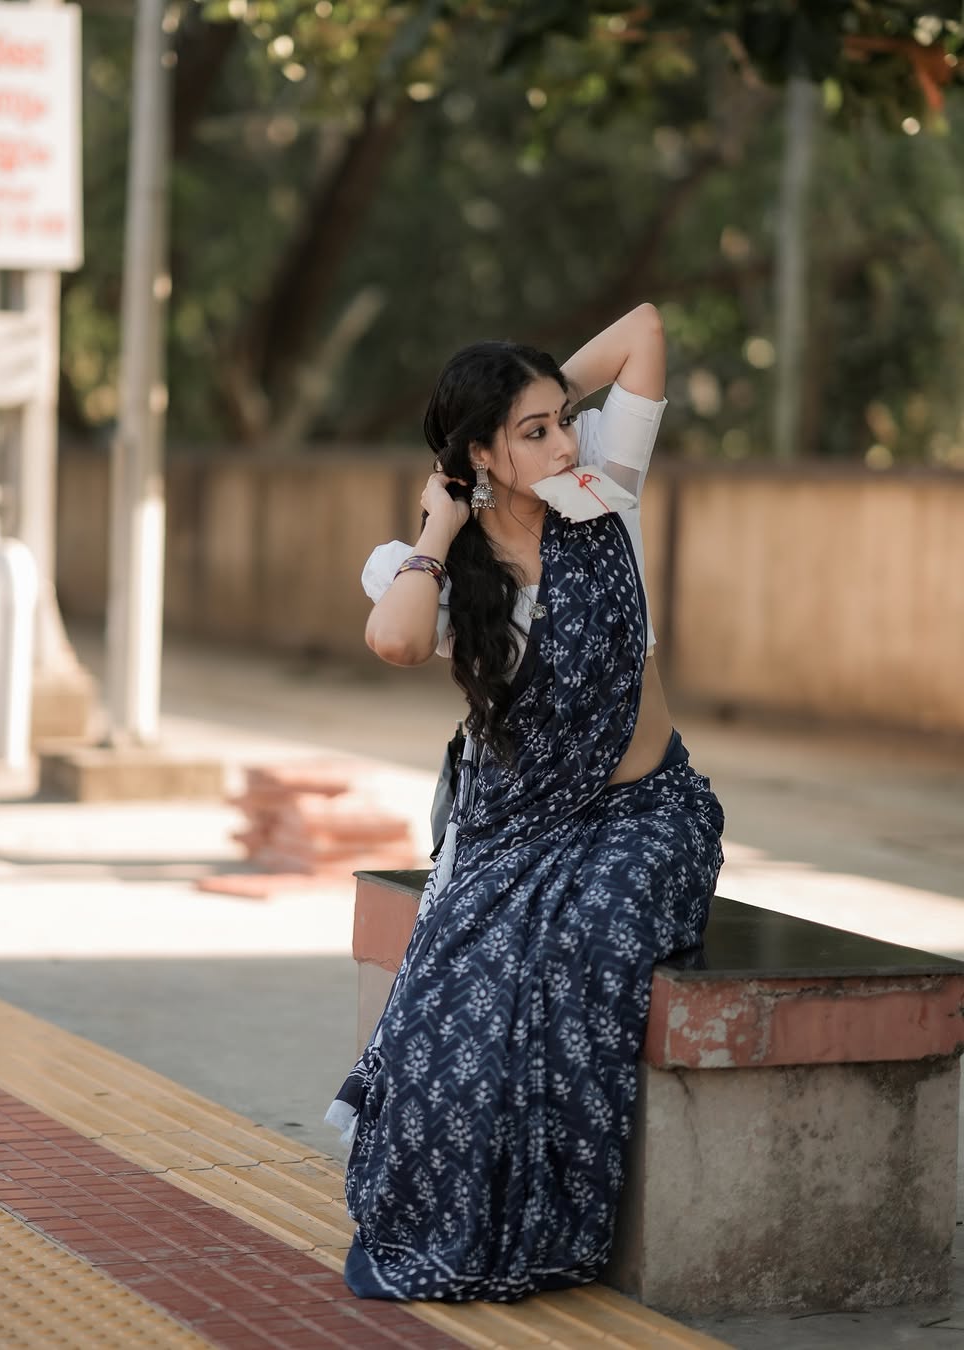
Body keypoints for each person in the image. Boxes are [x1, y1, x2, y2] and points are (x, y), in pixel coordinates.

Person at [325, 303, 725, 1303]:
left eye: (566, 420)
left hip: (648, 818)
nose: (566, 441)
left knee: (580, 948)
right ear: (481, 457)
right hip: (517, 829)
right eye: (536, 431)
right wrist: (443, 515)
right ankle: (448, 1217)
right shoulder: (439, 572)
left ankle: (557, 1227)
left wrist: (538, 398)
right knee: (459, 1000)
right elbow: (395, 644)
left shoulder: (605, 494)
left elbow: (643, 328)